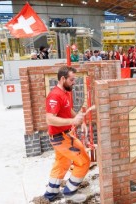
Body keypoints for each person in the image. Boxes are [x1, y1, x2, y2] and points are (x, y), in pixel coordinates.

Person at [42, 66, 91, 202]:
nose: (73, 82)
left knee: (61, 164)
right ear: (63, 78)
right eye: (71, 79)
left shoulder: (65, 92)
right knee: (84, 161)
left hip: (63, 135)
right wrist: (73, 121)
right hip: (60, 137)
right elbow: (49, 119)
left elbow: (68, 110)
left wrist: (80, 122)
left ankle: (50, 194)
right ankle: (70, 192)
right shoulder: (55, 95)